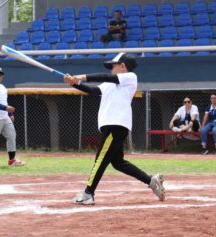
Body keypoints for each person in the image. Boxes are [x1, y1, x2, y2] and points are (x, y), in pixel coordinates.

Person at [63, 53, 165, 205]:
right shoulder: (108, 84)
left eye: (114, 65)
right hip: (111, 125)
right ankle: (151, 180)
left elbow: (107, 77)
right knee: (118, 162)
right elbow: (93, 91)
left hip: (115, 125)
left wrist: (81, 77)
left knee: (100, 159)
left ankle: (88, 193)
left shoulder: (130, 77)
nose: (111, 68)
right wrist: (74, 83)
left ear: (122, 66)